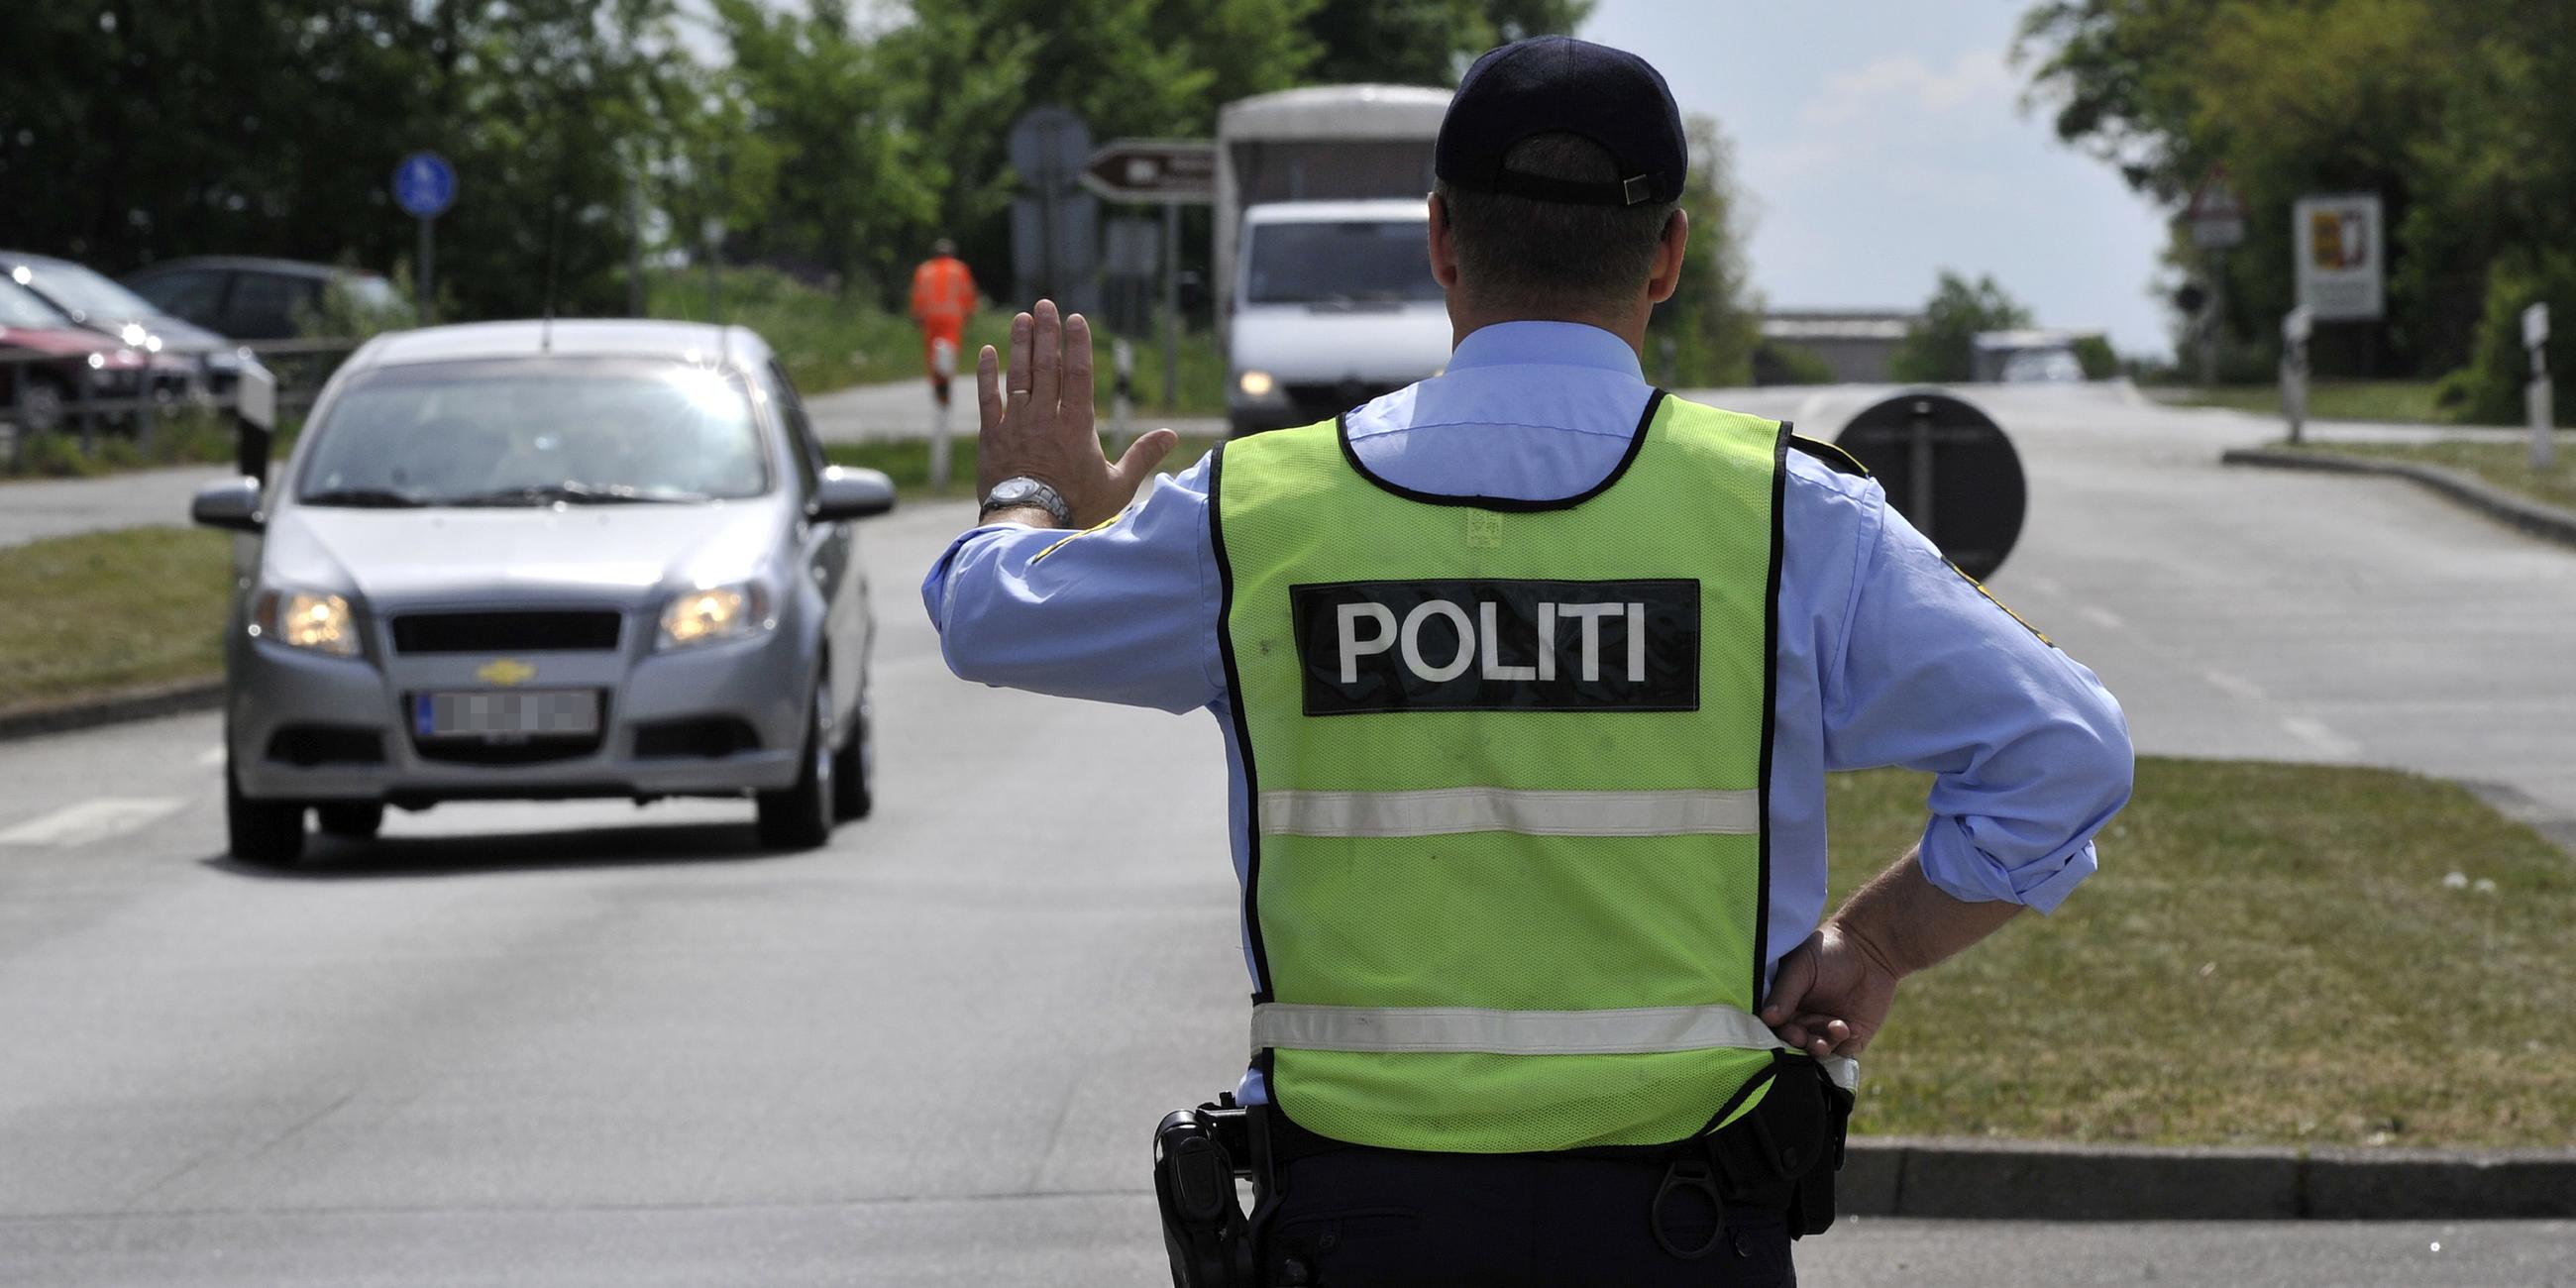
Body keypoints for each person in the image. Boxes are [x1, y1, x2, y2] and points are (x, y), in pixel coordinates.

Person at [924, 36, 2132, 1286]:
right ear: (1666, 254)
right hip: (1684, 1224)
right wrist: (1877, 944)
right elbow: (2068, 751)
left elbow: (989, 615)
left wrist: (1032, 494)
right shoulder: (1786, 516)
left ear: (1439, 238)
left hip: (1358, 1228)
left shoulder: (1258, 510)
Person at [908, 238, 978, 420]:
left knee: (933, 353)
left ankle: (939, 388)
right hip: (952, 317)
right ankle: (945, 385)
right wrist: (970, 312)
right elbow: (967, 292)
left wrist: (916, 315)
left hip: (930, 318)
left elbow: (918, 294)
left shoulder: (924, 270)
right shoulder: (959, 269)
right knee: (950, 350)